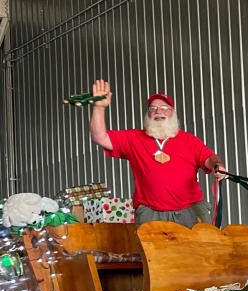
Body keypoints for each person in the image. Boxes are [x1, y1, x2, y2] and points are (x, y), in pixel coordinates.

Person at [88, 79, 227, 228]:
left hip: (191, 211)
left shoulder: (188, 140)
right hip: (150, 214)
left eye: (164, 107)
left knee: (200, 251)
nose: (158, 111)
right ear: (148, 114)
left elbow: (209, 158)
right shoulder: (134, 138)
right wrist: (99, 107)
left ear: (173, 113)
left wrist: (218, 165)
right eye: (152, 108)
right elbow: (100, 137)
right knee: (151, 252)